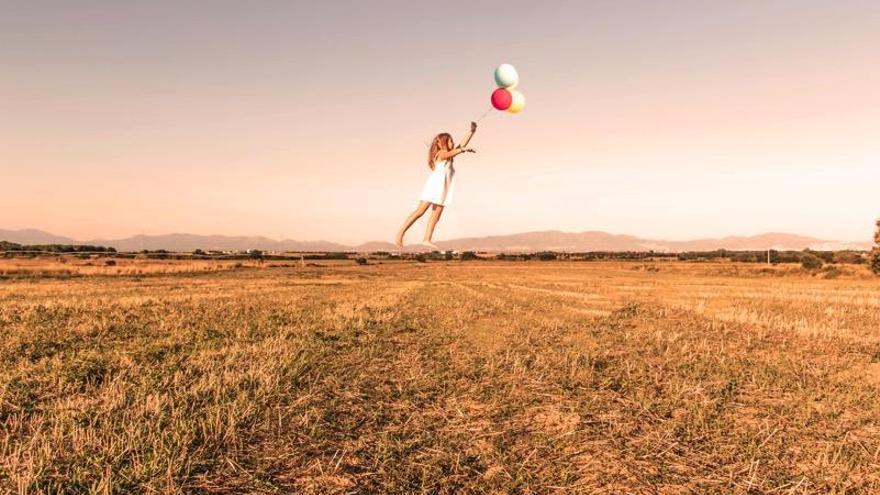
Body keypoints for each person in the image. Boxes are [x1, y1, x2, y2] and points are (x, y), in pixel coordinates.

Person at [395, 121, 477, 250]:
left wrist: (471, 132)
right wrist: (463, 150)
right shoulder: (441, 154)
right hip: (435, 185)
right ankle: (400, 233)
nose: (453, 143)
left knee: (437, 213)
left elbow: (461, 145)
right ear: (442, 143)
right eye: (450, 141)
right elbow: (453, 152)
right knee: (420, 211)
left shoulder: (451, 154)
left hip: (444, 186)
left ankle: (427, 238)